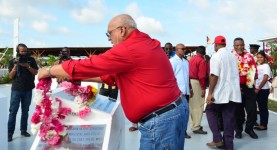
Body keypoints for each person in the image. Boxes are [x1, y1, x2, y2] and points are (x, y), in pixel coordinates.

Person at [38, 14, 189, 149]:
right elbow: (112, 77)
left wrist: (49, 71)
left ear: (122, 30)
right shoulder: (142, 43)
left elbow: (91, 64)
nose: (108, 38)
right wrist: (73, 77)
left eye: (109, 33)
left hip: (162, 121)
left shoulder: (129, 48)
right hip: (171, 113)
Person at [205, 35, 241, 150]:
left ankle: (217, 138)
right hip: (233, 93)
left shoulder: (216, 56)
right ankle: (229, 145)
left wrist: (210, 93)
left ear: (215, 45)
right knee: (229, 119)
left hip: (221, 92)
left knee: (209, 110)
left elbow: (214, 76)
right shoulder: (233, 56)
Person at [7, 43, 38, 142]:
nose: (24, 53)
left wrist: (28, 66)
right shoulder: (12, 61)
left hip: (28, 89)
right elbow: (10, 76)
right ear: (18, 51)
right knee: (13, 112)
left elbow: (36, 72)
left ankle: (23, 130)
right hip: (16, 89)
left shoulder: (31, 60)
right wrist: (16, 66)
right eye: (22, 51)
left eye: (25, 51)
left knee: (25, 111)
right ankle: (10, 133)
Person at [232, 37, 258, 139]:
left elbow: (254, 70)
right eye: (237, 45)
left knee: (252, 110)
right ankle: (238, 130)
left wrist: (253, 78)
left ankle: (249, 129)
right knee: (238, 111)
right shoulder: (231, 57)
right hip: (236, 87)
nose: (239, 47)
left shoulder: (250, 57)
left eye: (241, 45)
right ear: (234, 46)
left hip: (249, 86)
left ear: (244, 45)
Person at [170, 43, 192, 139]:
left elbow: (188, 76)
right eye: (182, 49)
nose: (184, 50)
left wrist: (190, 88)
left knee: (185, 113)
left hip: (186, 91)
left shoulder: (186, 62)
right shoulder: (172, 61)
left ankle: (184, 131)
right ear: (176, 49)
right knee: (176, 113)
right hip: (177, 92)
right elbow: (170, 77)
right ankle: (175, 131)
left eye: (185, 49)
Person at [188, 46, 208, 135]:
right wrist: (203, 88)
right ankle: (196, 126)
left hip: (190, 82)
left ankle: (194, 125)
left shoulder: (191, 60)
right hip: (197, 83)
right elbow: (202, 76)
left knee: (192, 105)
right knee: (199, 105)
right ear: (204, 52)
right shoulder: (202, 61)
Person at [254, 51, 270, 131]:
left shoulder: (266, 66)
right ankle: (261, 123)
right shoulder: (257, 66)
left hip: (263, 90)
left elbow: (265, 78)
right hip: (257, 89)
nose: (259, 59)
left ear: (264, 58)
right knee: (260, 107)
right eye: (258, 57)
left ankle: (264, 125)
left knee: (263, 108)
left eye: (261, 57)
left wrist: (258, 88)